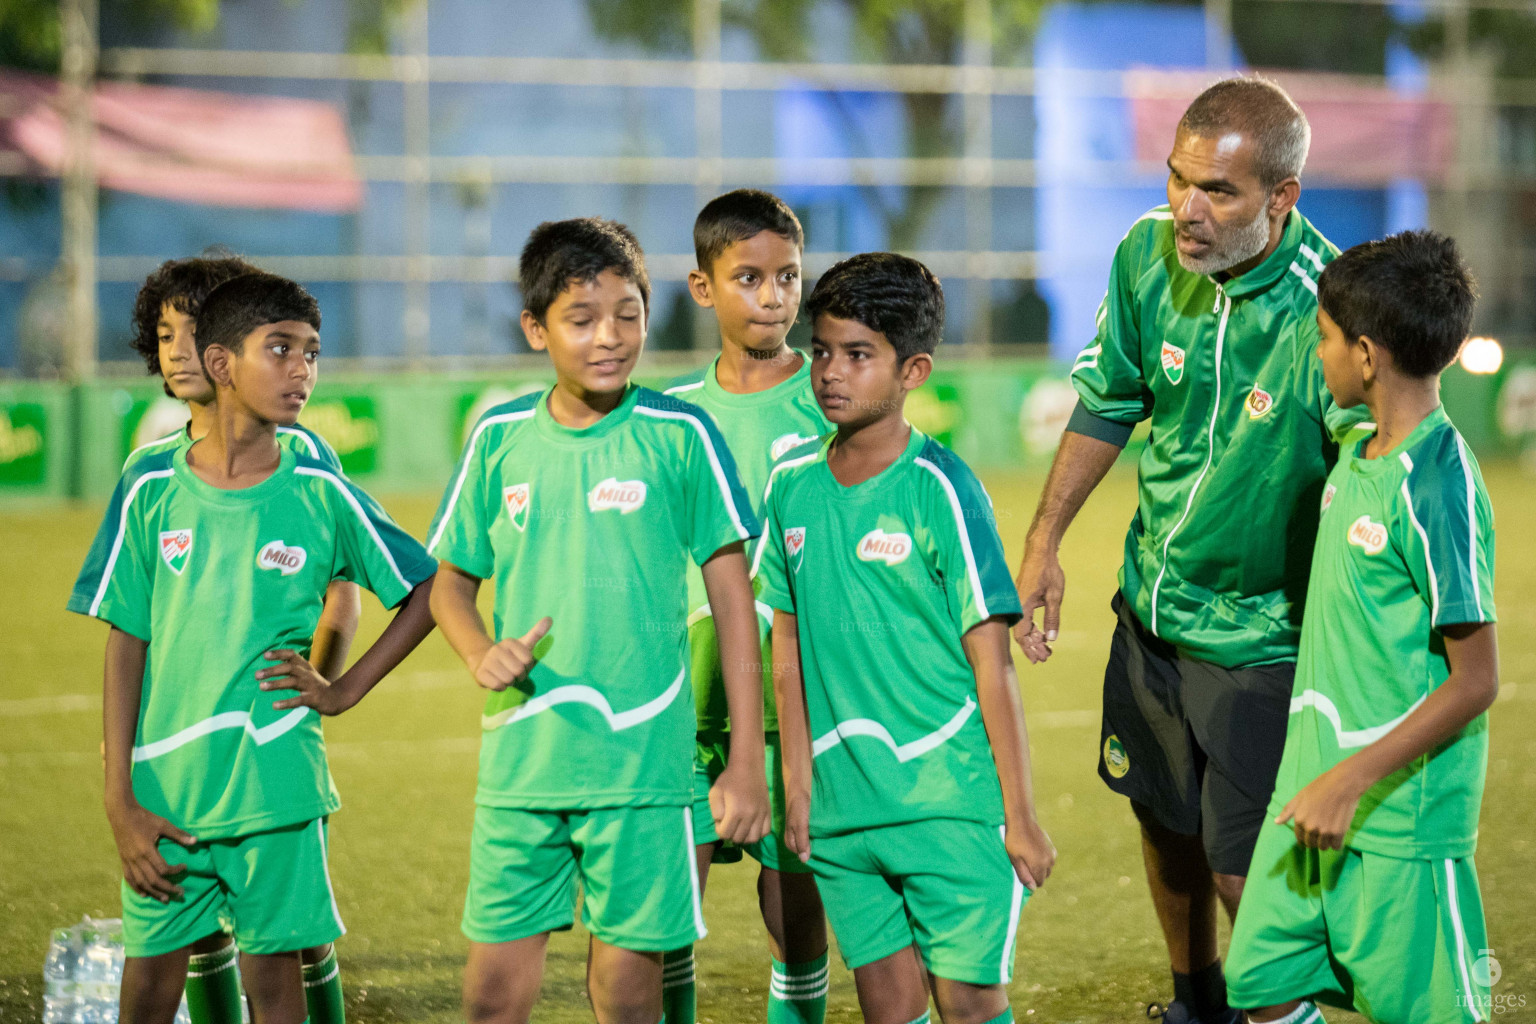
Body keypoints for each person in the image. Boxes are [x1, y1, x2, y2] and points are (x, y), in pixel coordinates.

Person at [1010, 76, 1364, 1024]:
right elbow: (1109, 397)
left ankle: (1281, 1011)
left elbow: (1373, 476)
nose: (1187, 211)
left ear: (1282, 198)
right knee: (1162, 823)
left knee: (1244, 871)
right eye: (1178, 180)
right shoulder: (1143, 254)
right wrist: (1045, 539)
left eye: (1219, 193)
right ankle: (1193, 1002)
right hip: (1150, 613)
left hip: (1260, 640)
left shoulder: (1328, 313)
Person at [426, 217, 772, 1024]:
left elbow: (733, 600)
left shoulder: (680, 434)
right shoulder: (499, 438)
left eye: (628, 314)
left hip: (645, 771)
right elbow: (450, 584)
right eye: (581, 321)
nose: (609, 338)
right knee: (489, 1000)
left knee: (626, 998)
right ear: (534, 328)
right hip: (524, 762)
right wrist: (480, 653)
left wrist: (746, 762)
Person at [67, 272, 438, 1024]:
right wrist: (119, 799)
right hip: (166, 795)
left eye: (311, 353)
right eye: (282, 350)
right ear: (222, 362)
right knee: (146, 991)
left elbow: (429, 588)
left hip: (276, 790)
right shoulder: (149, 488)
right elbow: (126, 640)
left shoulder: (318, 488)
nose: (302, 369)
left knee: (277, 989)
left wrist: (342, 686)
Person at [759, 253, 1055, 1024]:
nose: (830, 372)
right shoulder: (789, 487)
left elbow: (992, 668)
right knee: (889, 1009)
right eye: (822, 350)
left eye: (859, 355)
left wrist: (1019, 815)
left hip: (945, 801)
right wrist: (796, 785)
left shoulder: (941, 489)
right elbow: (784, 659)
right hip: (840, 805)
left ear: (912, 369)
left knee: (968, 1001)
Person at [1225, 230, 1497, 1024]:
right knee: (1262, 981)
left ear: (1368, 356)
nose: (1319, 356)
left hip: (1396, 819)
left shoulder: (1438, 483)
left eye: (1324, 339)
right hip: (1308, 793)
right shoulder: (1363, 447)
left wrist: (1352, 778)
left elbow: (1478, 679)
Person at [122, 250, 360, 1024]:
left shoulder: (303, 460)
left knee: (293, 938)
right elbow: (136, 627)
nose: (181, 351)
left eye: (193, 332)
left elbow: (342, 593)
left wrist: (317, 692)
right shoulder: (150, 474)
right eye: (166, 335)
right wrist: (122, 753)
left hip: (270, 752)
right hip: (173, 756)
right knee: (186, 933)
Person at [660, 189, 831, 1024]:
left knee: (796, 901)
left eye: (788, 277)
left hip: (795, 684)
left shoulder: (831, 401)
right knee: (662, 908)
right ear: (703, 288)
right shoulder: (673, 418)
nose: (773, 297)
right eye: (749, 278)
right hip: (686, 690)